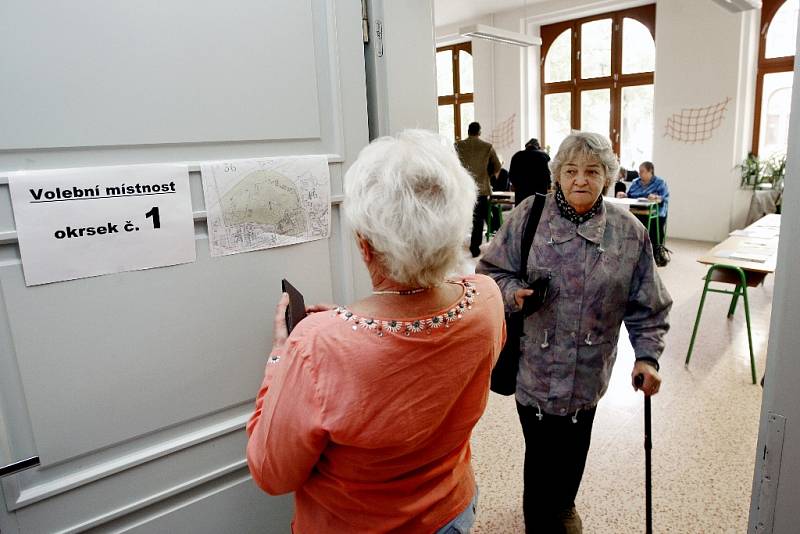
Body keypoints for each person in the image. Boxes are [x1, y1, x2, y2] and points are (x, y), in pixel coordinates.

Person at [247, 130, 506, 533]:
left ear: (365, 245)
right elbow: (424, 357)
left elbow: (271, 472)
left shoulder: (316, 345)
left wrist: (283, 355)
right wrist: (349, 328)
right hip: (452, 512)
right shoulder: (487, 301)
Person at [477, 131, 672, 534]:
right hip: (535, 370)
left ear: (608, 177)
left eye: (591, 171)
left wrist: (647, 356)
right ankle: (540, 516)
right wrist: (514, 293)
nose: (580, 179)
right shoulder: (529, 216)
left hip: (587, 374)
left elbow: (648, 304)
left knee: (575, 445)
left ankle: (564, 506)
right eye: (571, 171)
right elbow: (490, 272)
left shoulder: (629, 233)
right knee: (540, 452)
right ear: (557, 175)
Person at [455, 122, 502, 257]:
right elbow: (497, 166)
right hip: (481, 190)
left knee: (459, 218)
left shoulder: (457, 146)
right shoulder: (487, 147)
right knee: (478, 220)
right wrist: (488, 174)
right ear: (479, 132)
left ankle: (454, 247)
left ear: (468, 131)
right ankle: (474, 248)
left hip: (463, 189)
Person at [621, 161, 669, 248]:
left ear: (650, 171)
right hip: (636, 210)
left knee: (653, 226)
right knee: (626, 221)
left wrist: (656, 197)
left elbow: (664, 198)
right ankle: (632, 247)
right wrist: (624, 195)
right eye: (639, 171)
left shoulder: (660, 183)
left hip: (656, 212)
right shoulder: (635, 182)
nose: (639, 173)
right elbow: (629, 195)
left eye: (642, 171)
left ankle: (655, 249)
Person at [509, 138, 551, 206]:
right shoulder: (542, 156)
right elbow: (547, 176)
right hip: (538, 195)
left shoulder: (516, 156)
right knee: (537, 215)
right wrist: (548, 186)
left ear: (526, 147)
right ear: (538, 147)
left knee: (521, 215)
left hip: (521, 195)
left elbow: (511, 176)